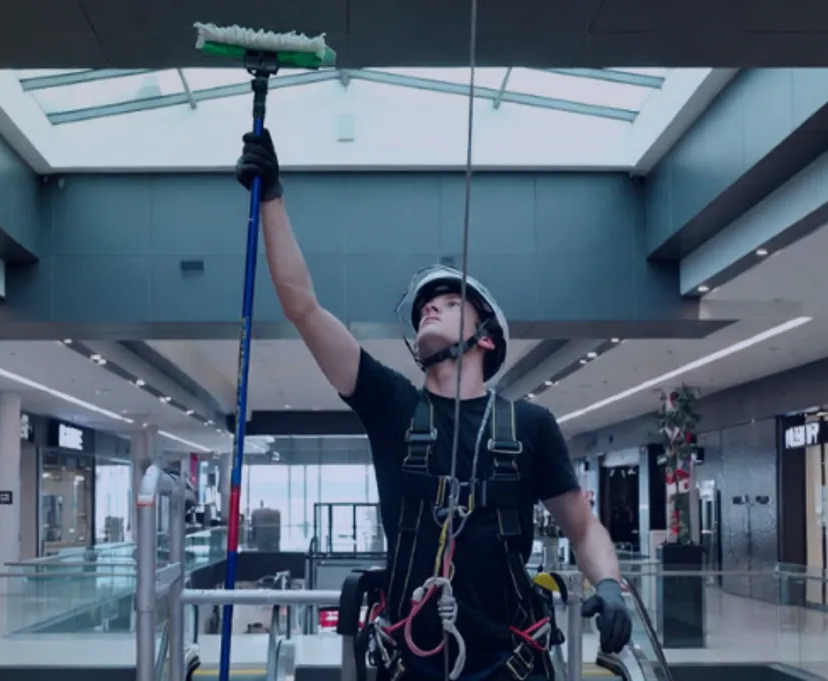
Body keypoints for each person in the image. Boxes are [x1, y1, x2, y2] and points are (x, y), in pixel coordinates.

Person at [236, 130, 633, 681]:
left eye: (449, 304)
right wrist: (272, 196)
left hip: (511, 663)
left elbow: (582, 525)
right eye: (425, 304)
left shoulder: (530, 426)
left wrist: (609, 585)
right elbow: (304, 308)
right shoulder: (392, 406)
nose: (430, 309)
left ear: (486, 338)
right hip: (411, 663)